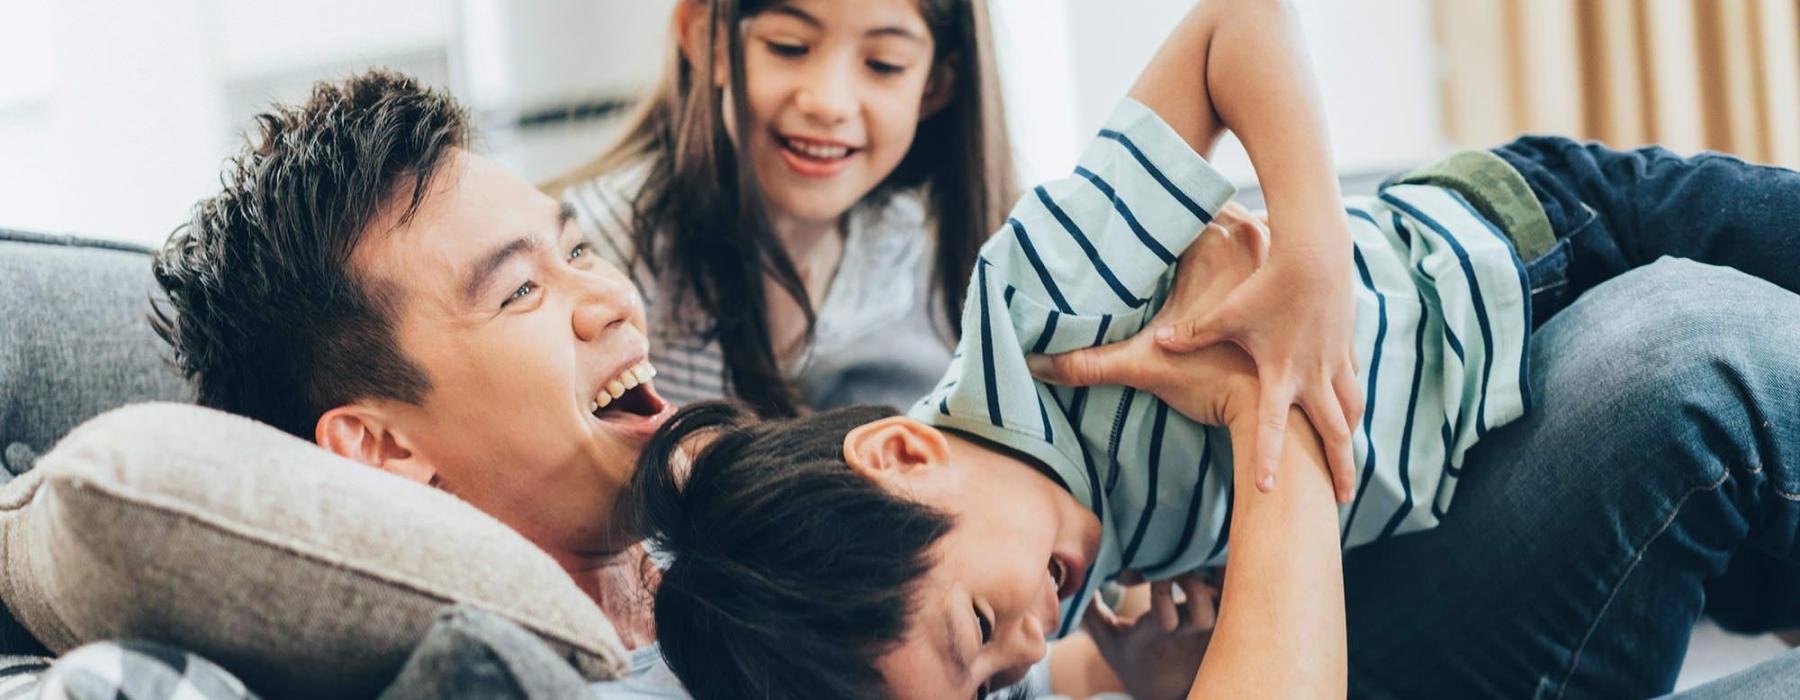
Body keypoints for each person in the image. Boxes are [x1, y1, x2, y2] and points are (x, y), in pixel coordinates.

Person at [147, 57, 1800, 700]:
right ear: (378, 447)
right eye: (525, 290)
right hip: (1299, 597)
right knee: (1692, 358)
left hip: (1290, 552)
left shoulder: (716, 546)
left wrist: (1108, 649)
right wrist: (1257, 417)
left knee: (1669, 295)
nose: (603, 306)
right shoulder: (621, 672)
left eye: (578, 252)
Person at [628, 3, 1800, 699]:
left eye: (984, 632)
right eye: (995, 682)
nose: (1033, 646)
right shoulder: (1056, 547)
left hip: (1532, 246)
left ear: (898, 451)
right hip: (1482, 438)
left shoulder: (1035, 308)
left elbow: (1231, 26)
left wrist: (1313, 254)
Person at [547, 0, 1015, 417]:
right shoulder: (601, 253)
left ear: (935, 86)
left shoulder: (910, 244)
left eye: (884, 64)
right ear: (707, 40)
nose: (828, 103)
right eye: (789, 47)